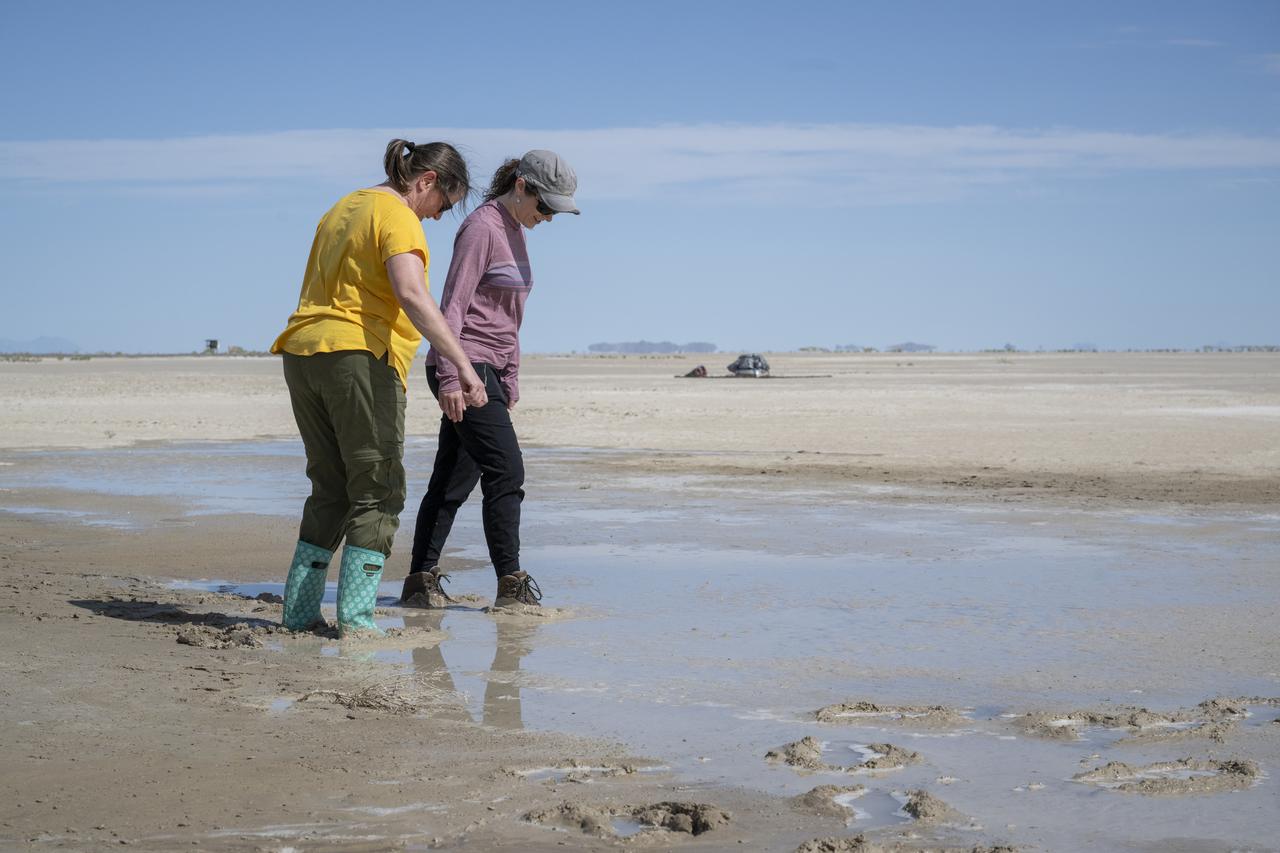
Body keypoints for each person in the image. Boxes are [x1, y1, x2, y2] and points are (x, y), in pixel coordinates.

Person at [271, 139, 488, 636]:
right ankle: (358, 621)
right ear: (427, 181)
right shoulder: (398, 216)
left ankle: (301, 613)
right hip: (360, 357)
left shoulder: (343, 206)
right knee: (379, 488)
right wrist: (463, 364)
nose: (437, 217)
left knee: (330, 486)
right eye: (443, 205)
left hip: (304, 353)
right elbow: (411, 293)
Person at [400, 150, 580, 610]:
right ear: (521, 186)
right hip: (464, 365)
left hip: (490, 370)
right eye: (546, 207)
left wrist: (511, 375)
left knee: (453, 479)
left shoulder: (517, 231)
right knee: (507, 470)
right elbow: (453, 306)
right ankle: (511, 586)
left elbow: (509, 318)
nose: (549, 218)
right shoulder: (482, 228)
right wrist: (448, 376)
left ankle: (420, 581)